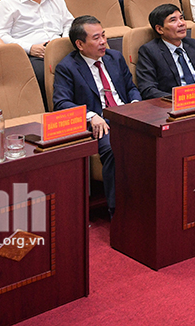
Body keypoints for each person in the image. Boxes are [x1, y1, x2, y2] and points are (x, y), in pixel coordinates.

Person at [53, 15, 140, 215]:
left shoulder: (115, 57)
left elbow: (131, 87)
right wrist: (91, 116)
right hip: (100, 122)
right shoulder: (67, 67)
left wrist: (135, 105)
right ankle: (118, 211)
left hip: (128, 115)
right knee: (113, 147)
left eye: (103, 35)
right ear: (80, 44)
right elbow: (61, 103)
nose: (103, 42)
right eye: (96, 38)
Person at [0, 0, 73, 100]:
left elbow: (69, 23)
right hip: (31, 55)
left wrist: (64, 41)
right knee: (45, 74)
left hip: (60, 48)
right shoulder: (8, 4)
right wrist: (29, 48)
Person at [136, 3, 195, 99]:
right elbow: (148, 89)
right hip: (175, 104)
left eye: (181, 18)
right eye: (173, 20)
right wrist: (179, 99)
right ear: (160, 29)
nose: (181, 23)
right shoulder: (150, 51)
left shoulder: (194, 45)